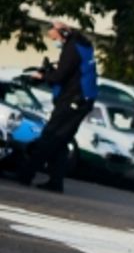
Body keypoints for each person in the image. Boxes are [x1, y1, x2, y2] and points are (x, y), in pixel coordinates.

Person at [15, 21, 98, 193]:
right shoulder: (81, 45)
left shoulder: (72, 48)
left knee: (49, 136)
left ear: (63, 34)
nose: (54, 40)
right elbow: (71, 72)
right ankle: (55, 182)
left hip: (73, 101)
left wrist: (43, 76)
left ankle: (26, 175)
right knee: (60, 142)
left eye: (53, 35)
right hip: (81, 100)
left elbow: (60, 76)